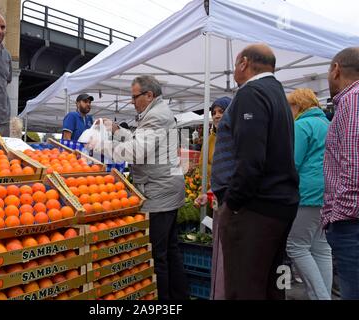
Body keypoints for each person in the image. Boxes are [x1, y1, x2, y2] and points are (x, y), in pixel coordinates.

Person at [210, 44, 299, 299]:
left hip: (254, 209)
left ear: (243, 63)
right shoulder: (277, 93)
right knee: (272, 285)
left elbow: (251, 160)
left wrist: (232, 204)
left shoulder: (251, 92)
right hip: (278, 205)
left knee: (244, 286)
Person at [90, 75, 189, 300]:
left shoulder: (155, 116)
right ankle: (179, 296)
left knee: (158, 256)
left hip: (158, 192)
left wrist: (102, 145)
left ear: (148, 95)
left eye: (134, 97)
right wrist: (116, 130)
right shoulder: (157, 113)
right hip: (166, 189)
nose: (132, 101)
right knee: (170, 251)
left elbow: (135, 152)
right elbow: (140, 140)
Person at [285, 89, 332, 300]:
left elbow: (292, 163)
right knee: (321, 248)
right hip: (327, 192)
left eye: (290, 107)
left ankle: (320, 297)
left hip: (306, 192)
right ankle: (324, 295)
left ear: (298, 105)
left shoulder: (301, 125)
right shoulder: (327, 124)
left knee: (296, 246)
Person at [322, 47, 359, 300]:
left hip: (352, 224)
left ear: (336, 69)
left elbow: (354, 167)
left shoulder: (353, 99)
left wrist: (339, 216)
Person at [195, 96, 231, 300]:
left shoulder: (233, 136)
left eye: (221, 111)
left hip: (229, 201)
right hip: (214, 196)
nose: (217, 115)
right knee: (218, 248)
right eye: (214, 112)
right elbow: (204, 166)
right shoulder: (210, 137)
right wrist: (205, 193)